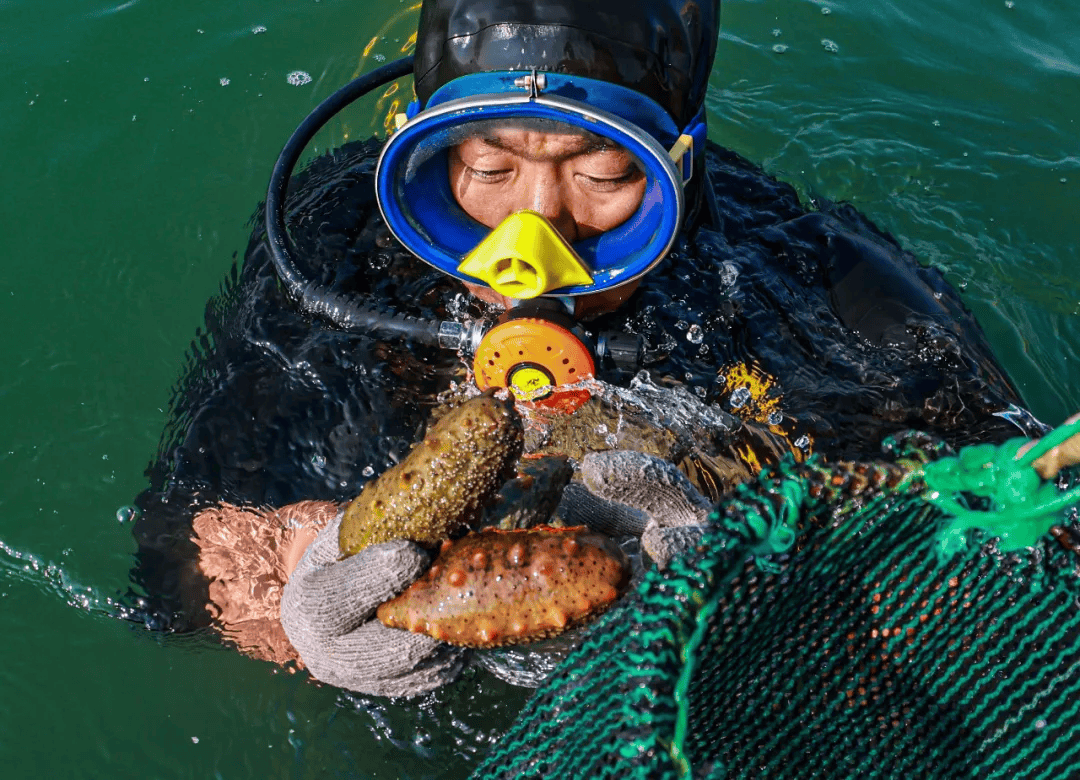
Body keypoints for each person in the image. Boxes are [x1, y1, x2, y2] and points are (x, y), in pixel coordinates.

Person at [128, 0, 1045, 697]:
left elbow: (1025, 545)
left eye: (603, 175)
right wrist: (300, 581)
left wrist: (752, 580)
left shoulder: (821, 283)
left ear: (672, 166)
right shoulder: (333, 237)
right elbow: (174, 557)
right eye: (488, 170)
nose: (534, 235)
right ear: (425, 157)